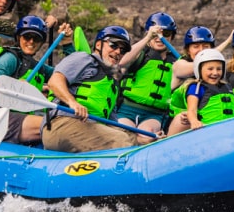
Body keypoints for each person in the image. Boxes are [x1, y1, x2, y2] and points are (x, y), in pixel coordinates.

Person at [42, 24, 163, 152]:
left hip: (90, 127)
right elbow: (54, 81)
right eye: (113, 45)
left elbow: (112, 125)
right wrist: (73, 103)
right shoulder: (84, 58)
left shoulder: (112, 86)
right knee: (120, 140)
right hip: (62, 124)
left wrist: (141, 141)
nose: (118, 52)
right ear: (99, 45)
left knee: (128, 136)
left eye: (122, 50)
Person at [0, 15, 70, 146]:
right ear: (18, 37)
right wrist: (16, 85)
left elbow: (68, 74)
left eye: (36, 38)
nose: (31, 41)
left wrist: (67, 44)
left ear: (41, 43)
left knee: (61, 124)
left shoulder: (39, 67)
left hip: (17, 119)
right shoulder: (9, 58)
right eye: (27, 37)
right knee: (53, 126)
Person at [115, 11, 178, 139]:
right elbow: (121, 61)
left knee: (147, 135)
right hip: (127, 109)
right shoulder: (139, 53)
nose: (160, 38)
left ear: (172, 36)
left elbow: (196, 67)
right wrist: (148, 37)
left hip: (154, 115)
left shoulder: (176, 61)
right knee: (123, 135)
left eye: (166, 34)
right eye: (156, 34)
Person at [184, 48, 234, 129]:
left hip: (230, 132)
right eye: (210, 69)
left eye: (219, 69)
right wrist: (194, 121)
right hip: (208, 132)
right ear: (199, 70)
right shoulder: (196, 88)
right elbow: (192, 110)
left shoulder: (227, 88)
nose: (215, 73)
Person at [164, 25, 217, 136]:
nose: (201, 51)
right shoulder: (179, 65)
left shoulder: (217, 74)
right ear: (188, 50)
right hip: (177, 121)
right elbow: (197, 65)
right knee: (182, 118)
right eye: (196, 46)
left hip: (205, 120)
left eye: (206, 46)